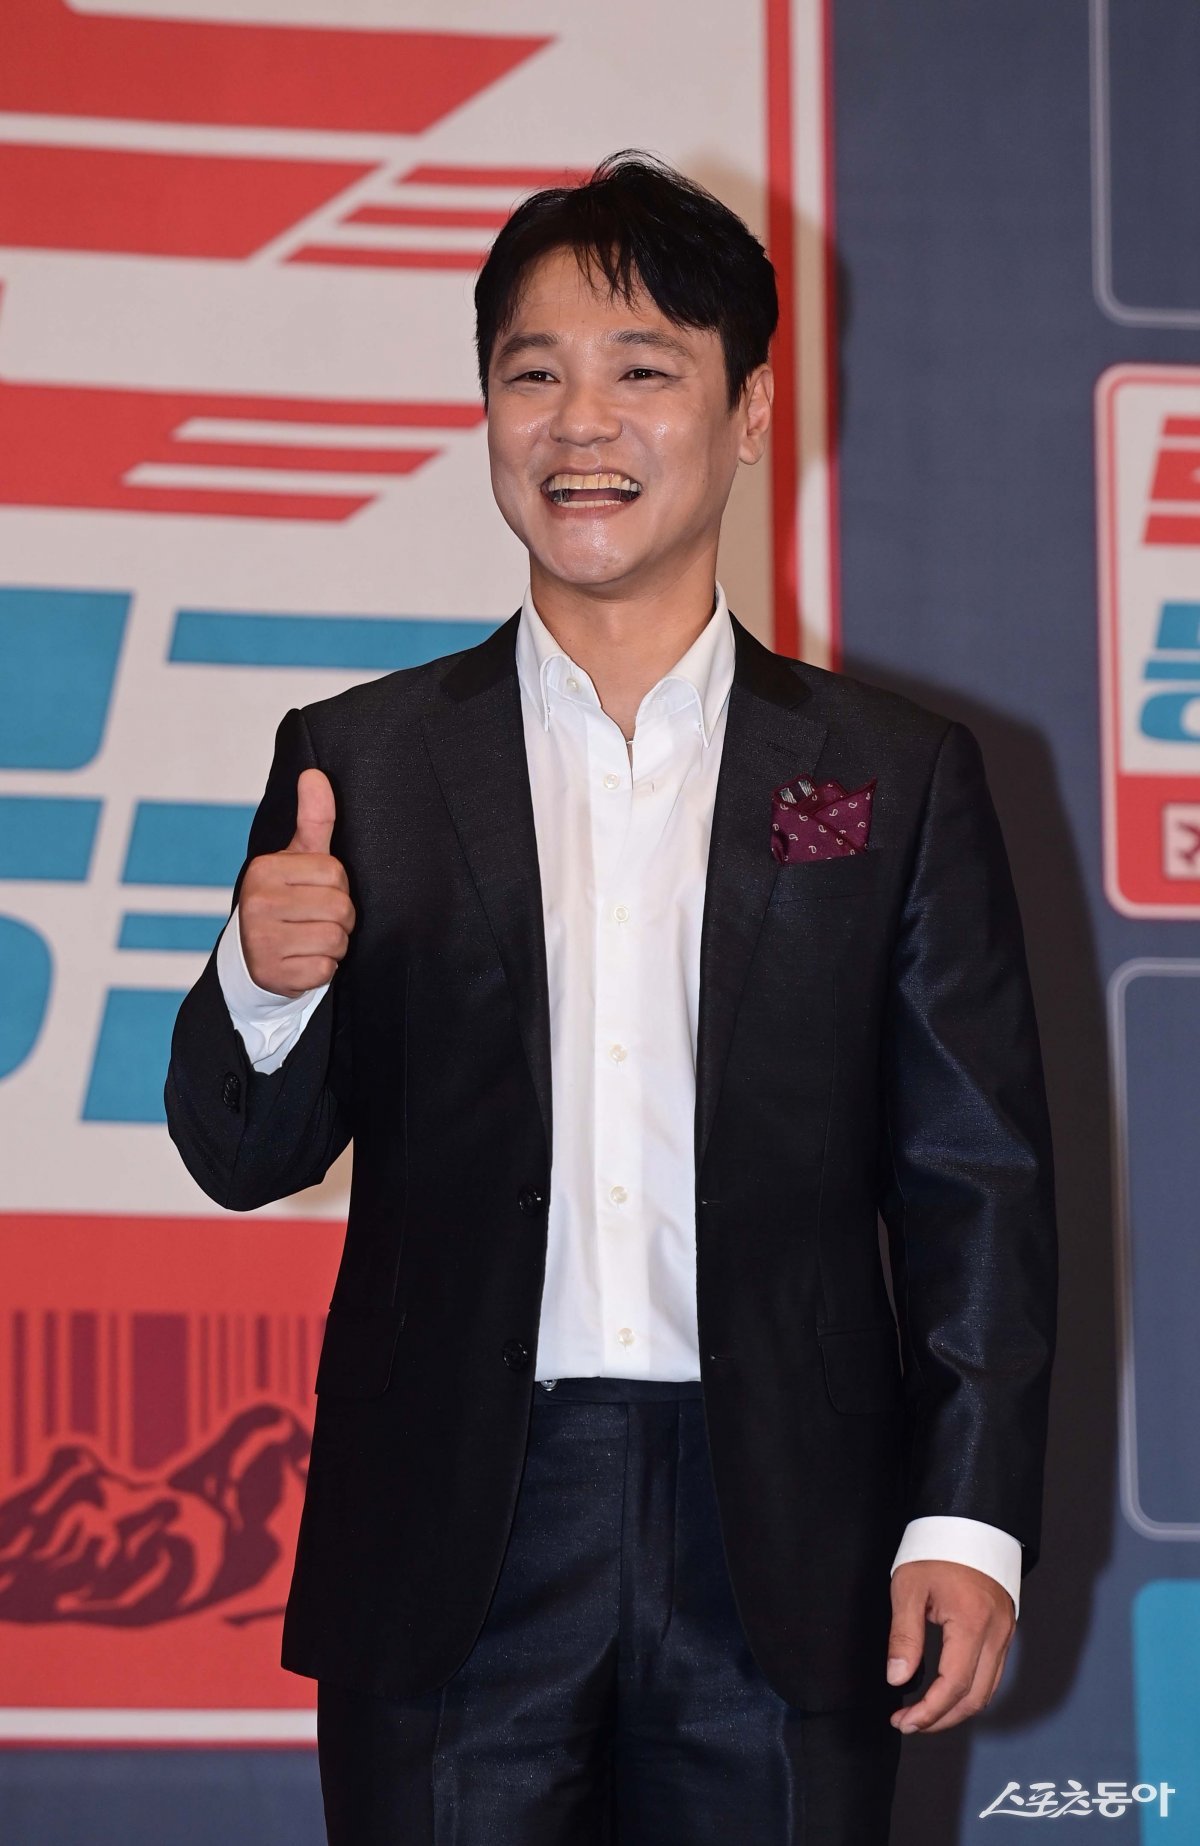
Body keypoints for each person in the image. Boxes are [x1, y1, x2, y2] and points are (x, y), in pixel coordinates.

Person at [166, 152, 1057, 1845]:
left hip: (788, 1539)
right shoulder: (361, 764)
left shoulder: (891, 774)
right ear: (487, 410)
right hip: (455, 1542)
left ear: (747, 411)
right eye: (535, 374)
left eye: (643, 369)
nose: (582, 423)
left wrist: (965, 1521)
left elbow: (977, 1180)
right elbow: (241, 1149)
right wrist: (262, 986)